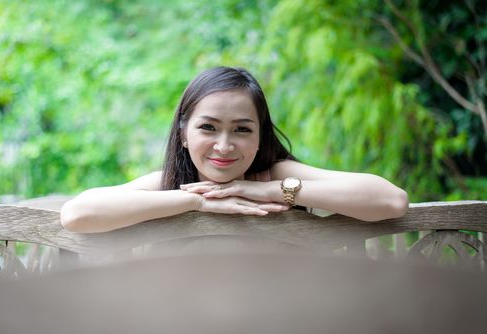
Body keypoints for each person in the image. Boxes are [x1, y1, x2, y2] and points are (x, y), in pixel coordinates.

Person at [61, 66, 408, 233]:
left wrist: (266, 189)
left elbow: (391, 201)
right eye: (208, 127)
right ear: (183, 133)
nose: (224, 146)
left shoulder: (274, 174)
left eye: (242, 129)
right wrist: (197, 200)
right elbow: (77, 214)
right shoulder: (173, 183)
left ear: (260, 136)